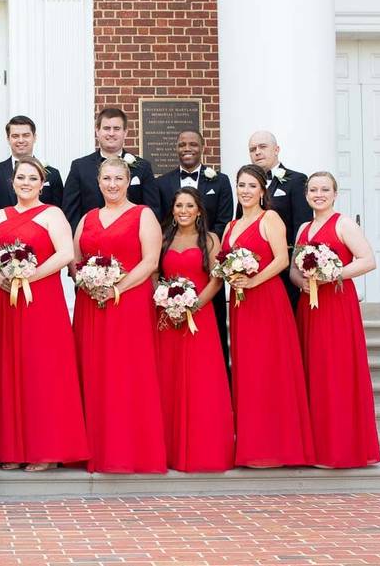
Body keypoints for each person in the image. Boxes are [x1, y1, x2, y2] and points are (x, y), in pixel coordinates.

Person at [0, 157, 88, 471]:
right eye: (21, 177)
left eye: (32, 178)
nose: (26, 182)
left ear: (42, 183)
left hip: (41, 301)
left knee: (41, 372)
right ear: (12, 181)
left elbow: (66, 254)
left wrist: (30, 275)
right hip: (4, 301)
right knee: (7, 370)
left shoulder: (52, 214)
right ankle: (12, 449)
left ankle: (45, 449)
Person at [72, 157, 167, 474]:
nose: (112, 184)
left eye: (118, 178)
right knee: (94, 371)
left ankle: (131, 450)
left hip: (129, 305)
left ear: (129, 181)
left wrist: (117, 288)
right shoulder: (87, 218)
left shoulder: (143, 215)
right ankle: (93, 449)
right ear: (98, 182)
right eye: (106, 179)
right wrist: (86, 281)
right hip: (92, 305)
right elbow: (76, 261)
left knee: (127, 374)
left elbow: (151, 261)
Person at [223, 164, 314, 467]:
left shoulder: (270, 218)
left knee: (270, 369)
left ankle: (279, 446)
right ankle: (252, 446)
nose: (245, 191)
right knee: (248, 371)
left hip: (267, 301)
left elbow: (282, 260)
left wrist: (252, 280)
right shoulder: (230, 226)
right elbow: (225, 262)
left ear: (262, 191)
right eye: (241, 185)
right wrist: (231, 278)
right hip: (240, 305)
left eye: (251, 185)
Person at [291, 172, 380, 468]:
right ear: (306, 195)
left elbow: (368, 260)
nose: (319, 194)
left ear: (335, 193)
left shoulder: (343, 224)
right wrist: (300, 282)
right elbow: (294, 268)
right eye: (313, 190)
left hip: (336, 304)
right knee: (313, 370)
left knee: (336, 370)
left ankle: (340, 447)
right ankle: (316, 446)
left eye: (324, 189)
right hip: (309, 305)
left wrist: (333, 274)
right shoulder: (303, 227)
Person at [155, 187, 234, 472]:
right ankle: (170, 451)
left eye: (189, 205)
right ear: (173, 210)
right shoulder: (164, 239)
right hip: (168, 319)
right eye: (179, 206)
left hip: (199, 318)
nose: (184, 211)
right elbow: (155, 274)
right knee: (169, 379)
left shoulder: (210, 240)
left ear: (199, 210)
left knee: (201, 382)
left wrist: (194, 305)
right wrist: (165, 301)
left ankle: (203, 449)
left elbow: (217, 278)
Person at [156, 129, 232, 370]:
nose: (187, 148)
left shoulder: (220, 181)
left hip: (204, 273)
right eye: (182, 144)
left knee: (207, 354)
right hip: (170, 298)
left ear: (202, 147)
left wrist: (205, 244)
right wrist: (169, 301)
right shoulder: (162, 183)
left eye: (192, 144)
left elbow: (223, 219)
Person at [244, 130, 312, 307]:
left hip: (284, 266)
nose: (257, 152)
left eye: (262, 147)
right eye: (252, 149)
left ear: (276, 149)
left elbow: (302, 226)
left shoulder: (296, 180)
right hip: (253, 266)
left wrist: (298, 268)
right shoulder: (246, 186)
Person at [63, 107, 160, 231]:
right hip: (91, 239)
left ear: (125, 132)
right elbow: (70, 212)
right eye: (106, 128)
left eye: (117, 129)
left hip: (131, 238)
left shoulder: (143, 167)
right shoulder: (79, 167)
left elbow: (153, 210)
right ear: (97, 131)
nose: (111, 133)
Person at [0, 115, 64, 212]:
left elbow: (59, 211)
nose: (21, 140)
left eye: (26, 135)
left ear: (34, 137)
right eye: (15, 136)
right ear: (8, 139)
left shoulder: (53, 174)